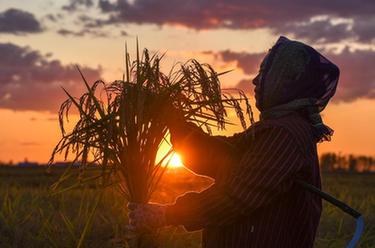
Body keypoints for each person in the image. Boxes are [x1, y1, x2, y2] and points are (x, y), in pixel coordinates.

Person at [127, 36, 340, 248]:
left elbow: (237, 197)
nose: (256, 80)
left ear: (286, 80)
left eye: (265, 72)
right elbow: (218, 158)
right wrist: (174, 121)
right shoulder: (274, 129)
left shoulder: (285, 133)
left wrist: (166, 214)